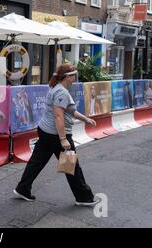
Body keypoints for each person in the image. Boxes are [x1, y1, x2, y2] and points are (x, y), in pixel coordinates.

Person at [13, 64, 100, 206]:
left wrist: (85, 119)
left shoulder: (58, 89)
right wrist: (63, 139)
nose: (75, 79)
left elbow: (69, 110)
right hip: (55, 135)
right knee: (71, 166)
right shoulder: (61, 92)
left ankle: (22, 189)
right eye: (73, 76)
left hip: (46, 132)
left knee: (37, 162)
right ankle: (83, 197)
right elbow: (58, 116)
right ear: (67, 77)